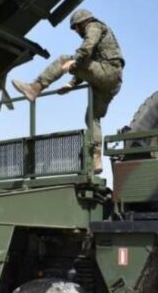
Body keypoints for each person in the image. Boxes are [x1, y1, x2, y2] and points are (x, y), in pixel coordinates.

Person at [11, 9, 124, 174]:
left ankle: (35, 88)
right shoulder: (99, 29)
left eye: (75, 28)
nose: (76, 31)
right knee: (93, 117)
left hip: (107, 71)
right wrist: (72, 84)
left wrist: (72, 62)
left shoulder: (93, 26)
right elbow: (90, 65)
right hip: (112, 81)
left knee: (65, 59)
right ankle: (96, 157)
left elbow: (87, 49)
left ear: (81, 23)